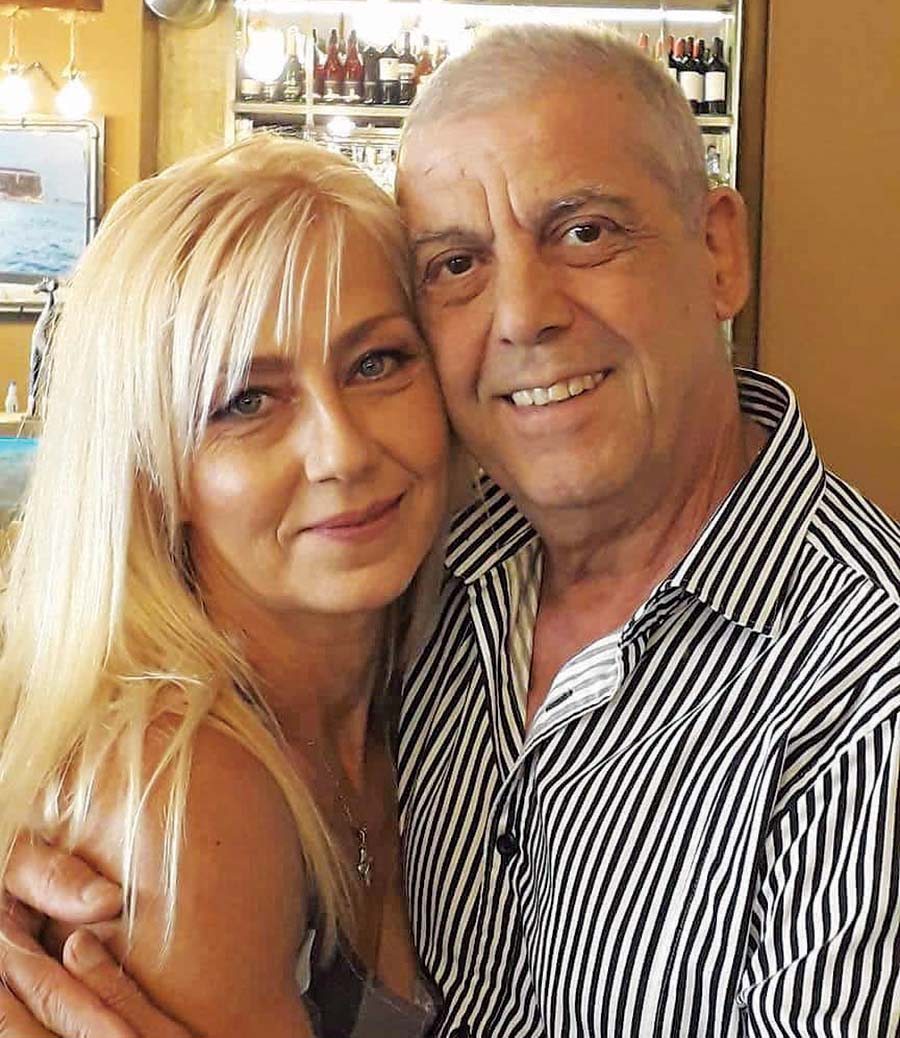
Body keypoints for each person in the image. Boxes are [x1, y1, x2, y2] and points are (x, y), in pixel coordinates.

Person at [3, 24, 900, 1038]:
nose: (522, 315)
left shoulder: (866, 689)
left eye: (585, 232)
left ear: (718, 252)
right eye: (460, 263)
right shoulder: (429, 600)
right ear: (153, 470)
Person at [0, 134, 451, 1038]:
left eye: (376, 362)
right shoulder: (185, 793)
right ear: (153, 473)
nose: (342, 451)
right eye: (246, 401)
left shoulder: (446, 672)